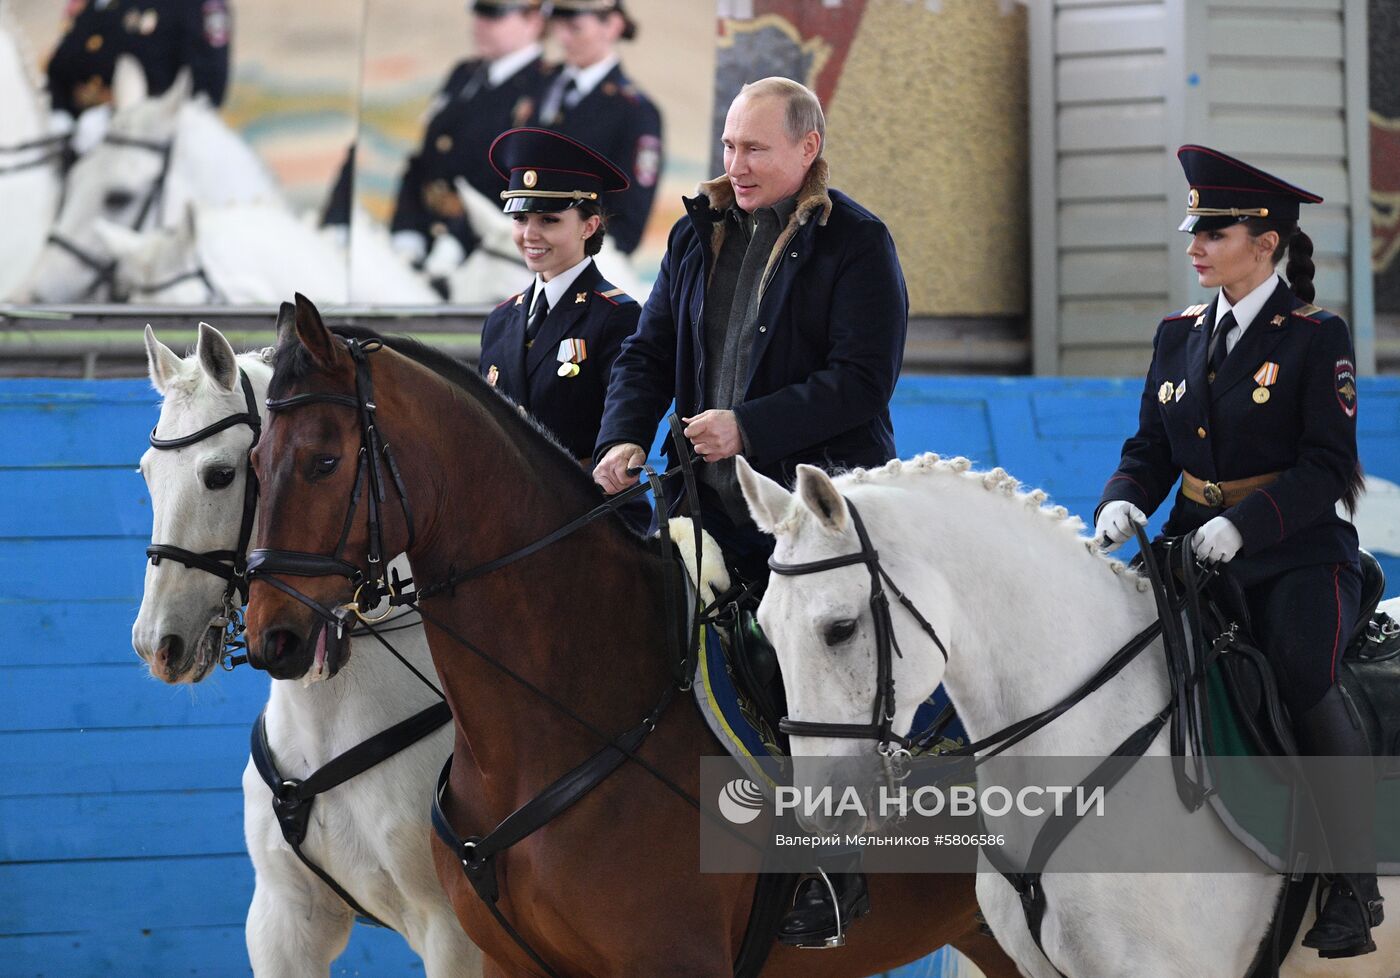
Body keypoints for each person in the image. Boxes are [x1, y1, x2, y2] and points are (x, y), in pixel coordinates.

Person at [591, 76, 908, 946]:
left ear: (807, 149)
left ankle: (834, 872)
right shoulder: (699, 237)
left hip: (812, 518)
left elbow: (861, 382)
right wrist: (621, 437)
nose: (736, 164)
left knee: (800, 677)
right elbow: (648, 353)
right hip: (702, 506)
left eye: (756, 149)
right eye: (730, 148)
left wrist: (748, 426)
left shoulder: (859, 243)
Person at [1095, 145, 1379, 959]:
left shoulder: (1315, 338)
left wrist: (1248, 526)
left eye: (1213, 231)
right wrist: (1122, 496)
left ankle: (1351, 884)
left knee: (1301, 674)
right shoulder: (1177, 334)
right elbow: (1151, 445)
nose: (1195, 244)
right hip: (1190, 543)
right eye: (1194, 229)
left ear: (1266, 241)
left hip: (1293, 553)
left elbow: (1328, 465)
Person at [478, 127, 649, 530]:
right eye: (520, 218)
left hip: (583, 524)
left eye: (549, 219)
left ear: (589, 226)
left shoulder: (618, 317)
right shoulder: (500, 321)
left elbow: (626, 435)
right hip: (504, 523)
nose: (530, 235)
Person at [386, 0, 550, 266]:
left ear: (534, 21)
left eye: (494, 16)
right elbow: (425, 160)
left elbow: (526, 182)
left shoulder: (547, 86)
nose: (479, 25)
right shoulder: (465, 75)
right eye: (478, 14)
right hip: (426, 239)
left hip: (488, 255)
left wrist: (458, 241)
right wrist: (406, 228)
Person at [528, 0, 660, 256]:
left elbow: (629, 218)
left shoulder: (634, 111)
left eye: (575, 28)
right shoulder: (540, 85)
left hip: (583, 255)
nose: (563, 38)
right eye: (558, 27)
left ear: (611, 26)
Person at [47, 0, 230, 120]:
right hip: (79, 122)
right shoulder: (99, 4)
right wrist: (61, 113)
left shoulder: (197, 4)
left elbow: (208, 87)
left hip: (151, 133)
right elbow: (62, 63)